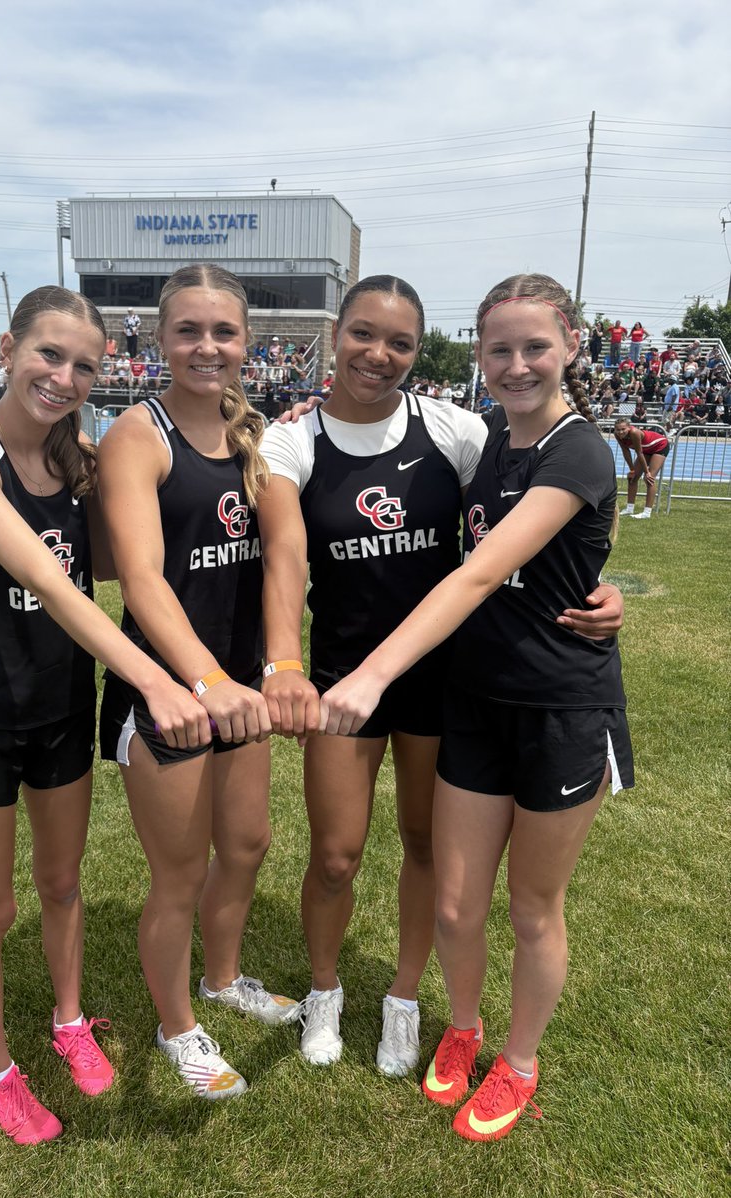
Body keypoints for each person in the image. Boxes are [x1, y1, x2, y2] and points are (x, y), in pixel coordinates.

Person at [257, 275, 625, 1079]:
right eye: (362, 334)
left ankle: (404, 999)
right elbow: (284, 557)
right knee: (336, 856)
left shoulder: (458, 430)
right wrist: (286, 662)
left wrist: (601, 584)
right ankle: (325, 992)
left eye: (400, 342)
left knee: (426, 846)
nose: (377, 355)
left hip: (442, 678)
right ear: (335, 336)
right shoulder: (296, 440)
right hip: (342, 678)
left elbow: (509, 550)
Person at [0, 285, 210, 1145]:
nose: (64, 375)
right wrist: (153, 680)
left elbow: (132, 561)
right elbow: (46, 579)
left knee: (63, 883)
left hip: (57, 710)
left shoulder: (77, 460)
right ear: (9, 348)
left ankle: (70, 1021)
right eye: (49, 354)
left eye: (85, 365)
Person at [96, 264, 299, 1102]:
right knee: (177, 874)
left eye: (223, 332)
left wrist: (260, 672)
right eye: (188, 331)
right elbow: (141, 579)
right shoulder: (136, 437)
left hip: (238, 687)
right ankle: (177, 1026)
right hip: (168, 694)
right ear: (158, 338)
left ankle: (222, 980)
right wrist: (206, 679)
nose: (206, 347)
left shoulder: (254, 435)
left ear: (248, 343)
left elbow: (287, 551)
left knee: (245, 845)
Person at [613, 417, 669, 519]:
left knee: (649, 478)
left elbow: (639, 453)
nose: (620, 432)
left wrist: (647, 472)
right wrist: (632, 470)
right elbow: (625, 451)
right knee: (632, 478)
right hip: (646, 450)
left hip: (659, 446)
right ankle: (629, 509)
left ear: (629, 428)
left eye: (623, 429)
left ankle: (647, 513)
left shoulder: (634, 433)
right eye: (618, 430)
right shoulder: (617, 435)